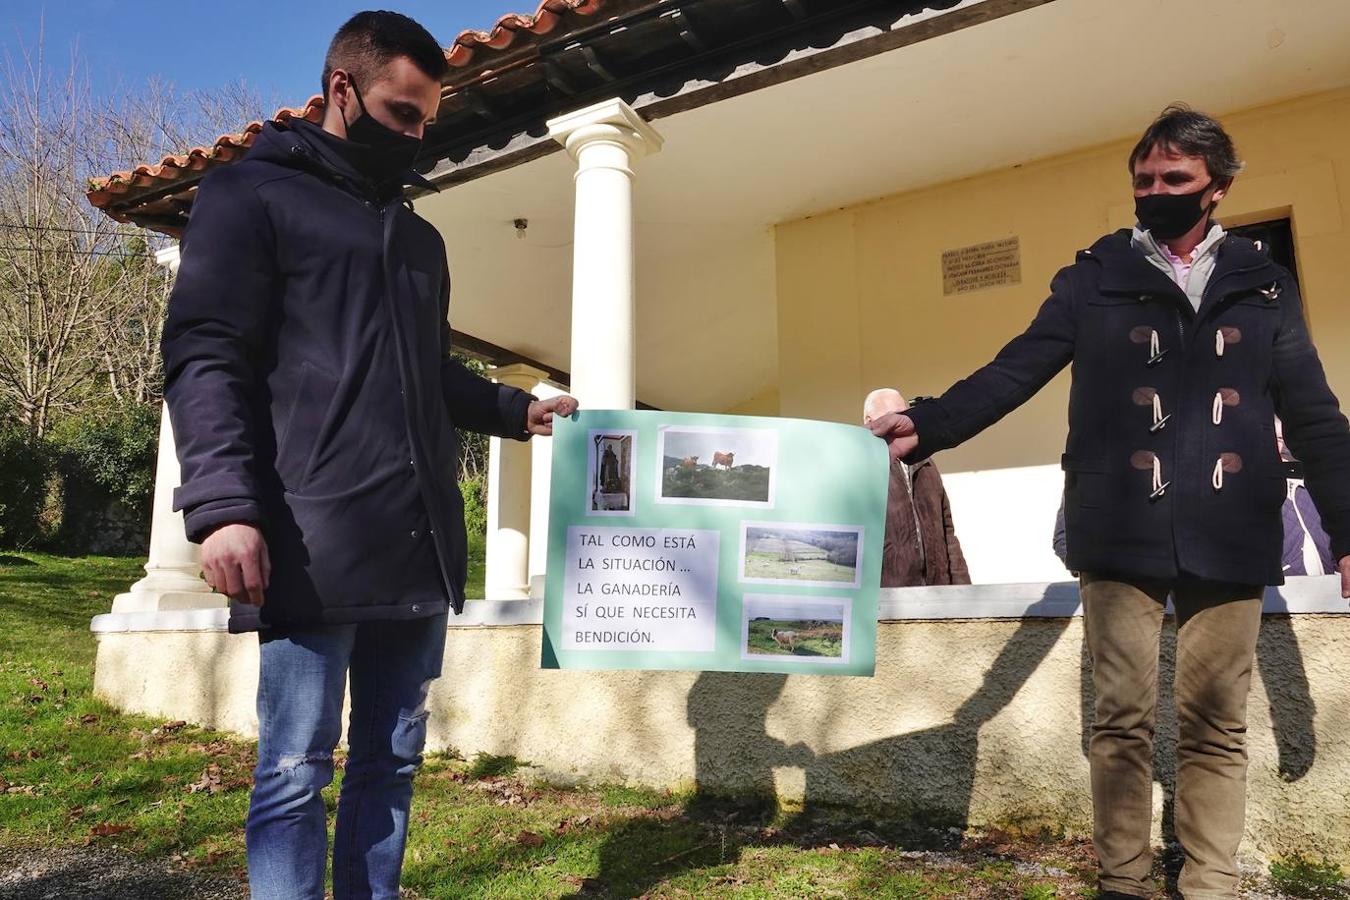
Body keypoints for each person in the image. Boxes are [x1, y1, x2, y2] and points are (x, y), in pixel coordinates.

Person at [869, 105, 1350, 900]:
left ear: (1218, 188)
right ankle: (1123, 881)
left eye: (1175, 179)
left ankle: (1211, 884)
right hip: (1118, 524)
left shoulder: (1264, 282)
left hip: (1230, 526)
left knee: (1216, 723)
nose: (1156, 192)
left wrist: (1346, 528)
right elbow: (1015, 368)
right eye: (1144, 179)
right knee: (1121, 718)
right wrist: (929, 423)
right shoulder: (1094, 275)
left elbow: (1314, 414)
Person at [160, 12, 576, 899]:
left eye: (427, 119)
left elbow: (427, 371)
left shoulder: (419, 239)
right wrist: (223, 507)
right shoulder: (248, 195)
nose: (418, 136)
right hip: (310, 540)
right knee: (294, 769)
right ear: (341, 89)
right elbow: (205, 354)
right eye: (402, 113)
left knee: (391, 762)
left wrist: (517, 409)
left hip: (417, 542)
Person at [863, 388, 970, 586]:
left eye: (904, 414)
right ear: (869, 421)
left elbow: (947, 530)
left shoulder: (926, 463)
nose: (898, 422)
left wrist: (962, 588)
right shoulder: (861, 469)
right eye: (891, 416)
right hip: (889, 594)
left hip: (937, 590)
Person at [1276, 417, 1336, 576]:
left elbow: (1333, 541)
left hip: (1328, 584)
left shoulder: (1318, 489)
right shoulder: (1252, 491)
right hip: (1282, 586)